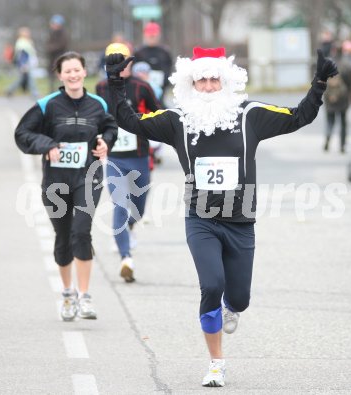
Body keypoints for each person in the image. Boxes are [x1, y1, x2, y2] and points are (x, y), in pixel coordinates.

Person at [104, 46, 337, 387]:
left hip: (241, 222)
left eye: (215, 80)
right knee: (211, 285)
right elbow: (131, 121)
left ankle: (232, 305)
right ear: (191, 84)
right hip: (201, 219)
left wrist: (318, 84)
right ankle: (216, 363)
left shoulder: (249, 115)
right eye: (202, 81)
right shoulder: (177, 120)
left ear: (226, 82)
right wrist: (115, 82)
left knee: (239, 299)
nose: (209, 87)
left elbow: (299, 116)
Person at [15, 51, 117, 321]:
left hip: (88, 176)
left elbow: (111, 128)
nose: (73, 75)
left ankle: (85, 296)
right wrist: (46, 145)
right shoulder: (47, 105)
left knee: (81, 232)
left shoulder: (97, 104)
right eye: (67, 71)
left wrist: (106, 141)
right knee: (63, 237)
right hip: (56, 181)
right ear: (59, 75)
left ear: (85, 72)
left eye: (77, 70)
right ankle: (68, 293)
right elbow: (23, 133)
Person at [95, 43, 161, 283]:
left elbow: (159, 115)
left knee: (138, 208)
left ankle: (129, 227)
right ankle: (126, 258)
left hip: (140, 156)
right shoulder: (101, 87)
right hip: (115, 158)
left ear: (130, 63)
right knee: (120, 205)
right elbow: (98, 116)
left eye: (123, 60)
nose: (120, 66)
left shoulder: (142, 87)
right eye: (114, 61)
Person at [133, 21, 173, 105]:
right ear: (145, 36)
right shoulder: (139, 52)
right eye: (149, 36)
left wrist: (161, 84)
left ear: (158, 36)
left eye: (153, 36)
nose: (152, 38)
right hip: (142, 89)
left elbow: (168, 70)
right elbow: (134, 71)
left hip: (161, 88)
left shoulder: (164, 52)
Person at [6, 27, 39, 98]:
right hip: (25, 64)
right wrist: (23, 64)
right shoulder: (22, 42)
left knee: (22, 79)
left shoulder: (27, 41)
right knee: (30, 78)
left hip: (27, 63)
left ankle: (10, 90)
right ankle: (34, 93)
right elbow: (22, 54)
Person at [46, 14, 69, 92]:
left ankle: (60, 92)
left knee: (60, 76)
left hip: (59, 58)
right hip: (52, 58)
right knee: (52, 77)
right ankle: (52, 92)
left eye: (54, 23)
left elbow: (62, 45)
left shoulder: (63, 34)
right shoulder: (52, 33)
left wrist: (51, 48)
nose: (52, 25)